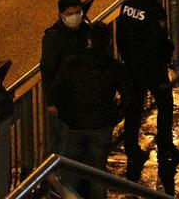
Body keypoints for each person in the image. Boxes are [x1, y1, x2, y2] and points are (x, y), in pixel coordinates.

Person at [116, 0, 179, 181]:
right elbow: (159, 41)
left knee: (134, 109)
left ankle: (131, 149)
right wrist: (167, 55)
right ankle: (165, 145)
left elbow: (120, 35)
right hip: (153, 69)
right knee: (165, 105)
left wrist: (127, 58)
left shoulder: (128, 6)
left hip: (132, 67)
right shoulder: (155, 10)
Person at [51, 23, 130, 199]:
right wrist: (115, 118)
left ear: (89, 40)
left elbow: (57, 92)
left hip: (75, 125)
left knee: (71, 172)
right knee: (98, 172)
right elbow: (127, 95)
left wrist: (66, 116)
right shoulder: (112, 66)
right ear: (108, 42)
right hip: (101, 125)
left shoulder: (72, 63)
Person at [40, 0, 94, 153]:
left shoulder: (87, 30)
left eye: (77, 12)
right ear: (61, 15)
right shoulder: (53, 38)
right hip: (64, 100)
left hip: (84, 96)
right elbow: (48, 70)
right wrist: (51, 102)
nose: (75, 17)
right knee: (63, 141)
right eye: (70, 14)